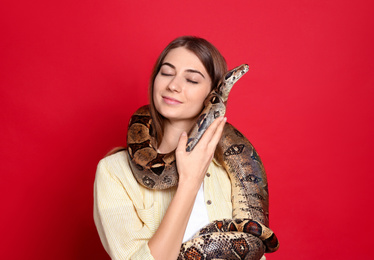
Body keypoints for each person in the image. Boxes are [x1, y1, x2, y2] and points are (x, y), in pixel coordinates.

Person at [94, 36, 267, 260]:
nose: (173, 86)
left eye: (192, 80)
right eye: (166, 73)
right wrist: (189, 182)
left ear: (213, 94)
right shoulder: (113, 173)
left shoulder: (230, 169)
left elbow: (253, 249)